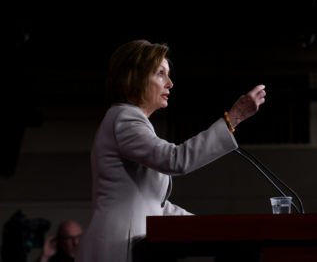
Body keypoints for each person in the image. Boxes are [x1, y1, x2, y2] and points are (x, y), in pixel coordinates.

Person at [75, 39, 266, 262]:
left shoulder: (130, 121)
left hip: (131, 244)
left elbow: (156, 205)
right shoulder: (124, 119)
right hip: (118, 245)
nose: (170, 83)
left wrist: (213, 227)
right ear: (136, 78)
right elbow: (176, 160)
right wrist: (233, 118)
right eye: (160, 74)